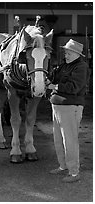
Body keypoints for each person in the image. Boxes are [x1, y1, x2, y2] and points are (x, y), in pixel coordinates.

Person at [47, 39, 89, 183]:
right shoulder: (64, 65)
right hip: (58, 106)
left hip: (70, 106)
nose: (66, 54)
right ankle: (63, 166)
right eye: (65, 52)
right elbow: (52, 76)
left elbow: (74, 87)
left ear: (77, 54)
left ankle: (74, 172)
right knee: (58, 140)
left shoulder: (81, 67)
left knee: (69, 140)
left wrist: (54, 87)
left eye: (69, 52)